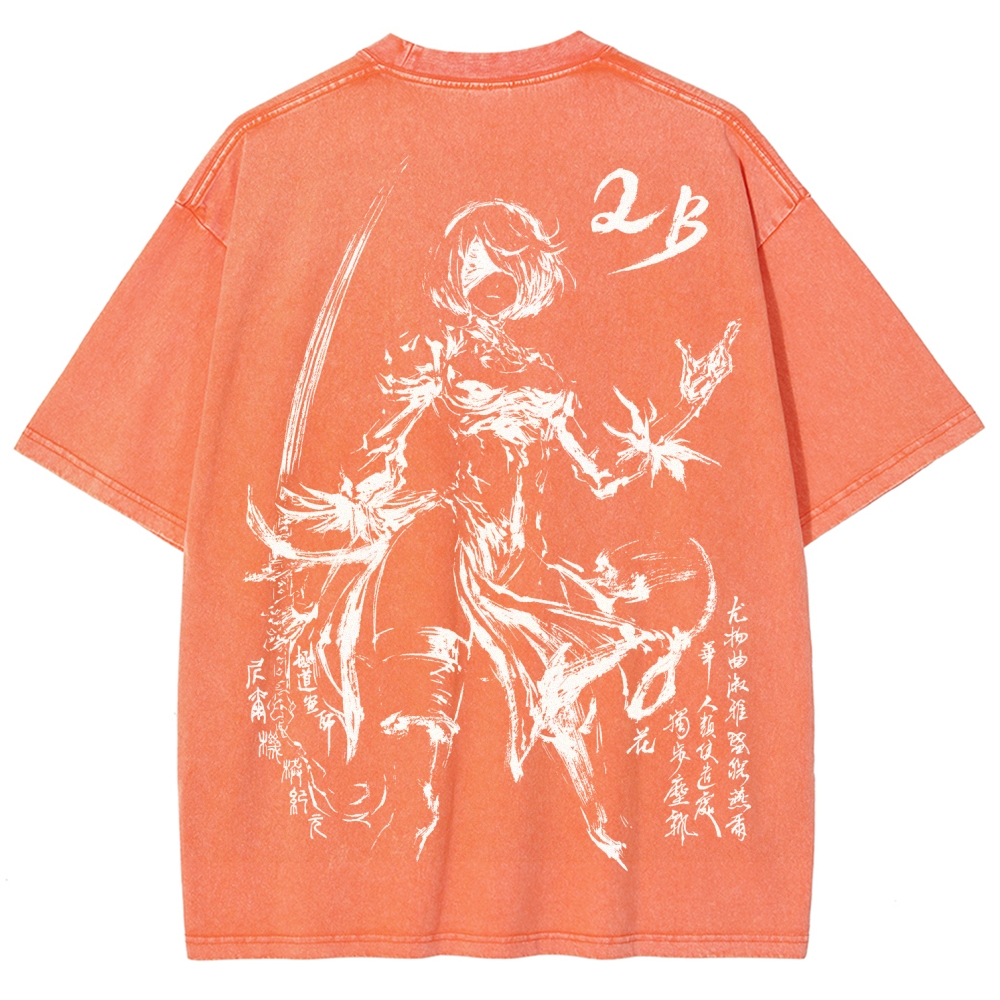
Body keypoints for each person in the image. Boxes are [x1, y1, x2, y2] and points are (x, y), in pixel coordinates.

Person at [247, 199, 738, 865]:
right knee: (432, 549)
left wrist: (686, 403)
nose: (489, 278)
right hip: (459, 532)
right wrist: (368, 492)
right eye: (474, 266)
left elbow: (600, 471)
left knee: (586, 679)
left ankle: (608, 828)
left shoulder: (545, 375)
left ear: (527, 272)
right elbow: (380, 439)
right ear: (455, 277)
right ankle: (413, 783)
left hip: (524, 559)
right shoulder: (436, 355)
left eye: (503, 264)